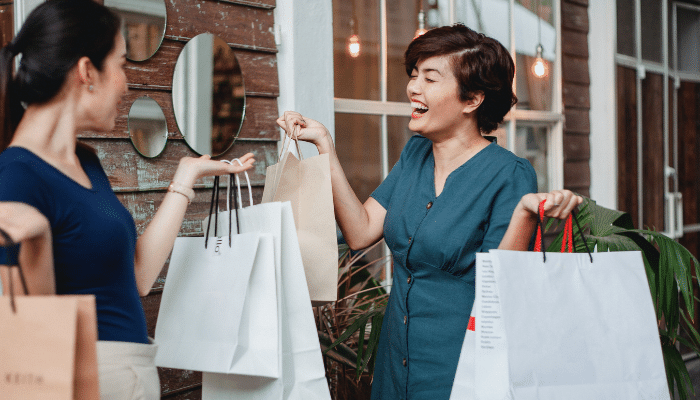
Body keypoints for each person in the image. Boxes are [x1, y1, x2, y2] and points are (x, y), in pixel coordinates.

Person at [278, 24, 581, 399]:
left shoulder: (509, 174)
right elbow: (361, 231)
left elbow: (502, 292)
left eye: (430, 78)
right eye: (414, 75)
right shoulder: (415, 154)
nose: (413, 88)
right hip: (395, 365)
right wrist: (325, 144)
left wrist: (524, 213)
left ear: (472, 100)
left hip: (461, 371)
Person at [0, 1, 254, 399]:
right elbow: (26, 330)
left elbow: (137, 278)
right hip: (86, 382)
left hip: (131, 376)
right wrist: (38, 239)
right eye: (120, 64)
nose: (126, 84)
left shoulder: (85, 162)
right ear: (87, 71)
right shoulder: (16, 177)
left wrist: (184, 178)